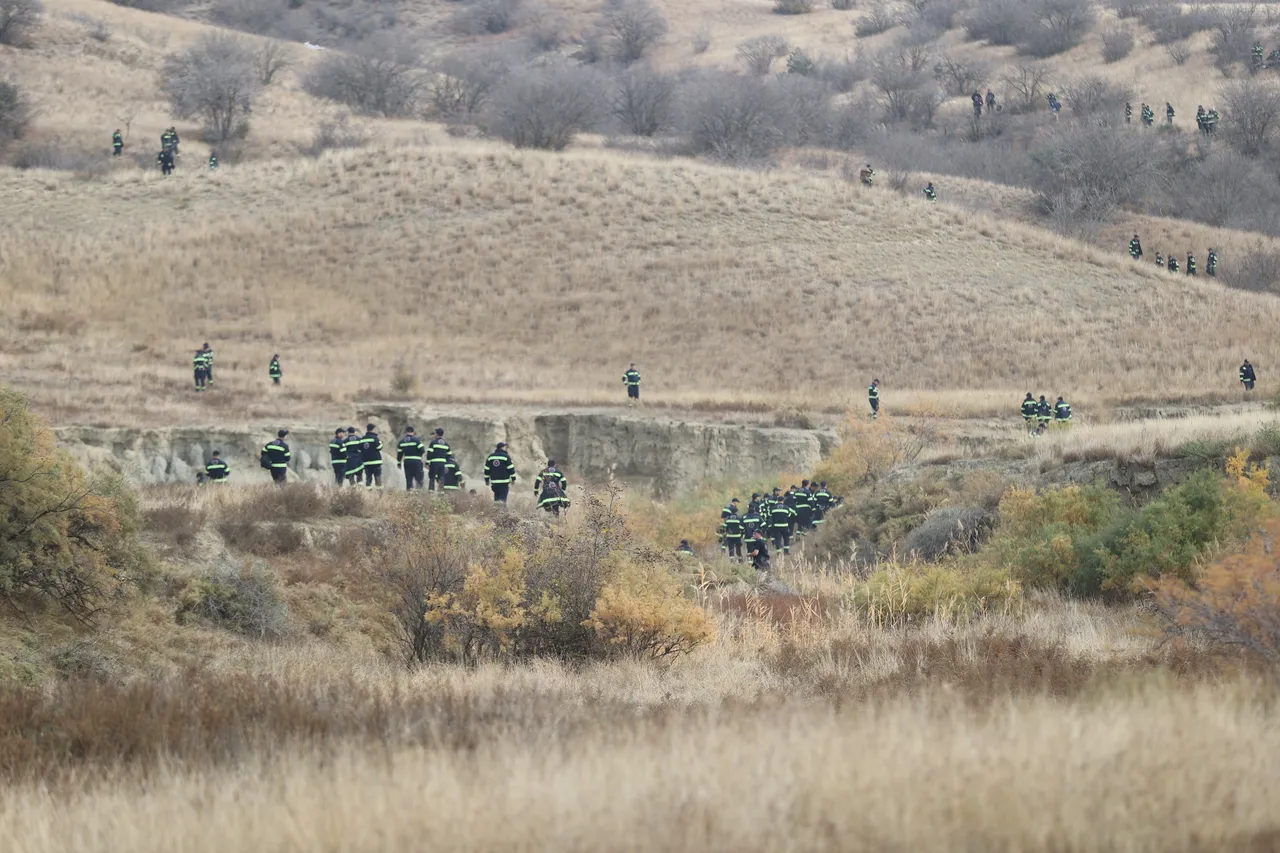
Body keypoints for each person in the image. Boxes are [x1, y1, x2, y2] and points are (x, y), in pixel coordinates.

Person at [397, 426, 426, 491]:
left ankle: (409, 492)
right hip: (416, 462)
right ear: (413, 431)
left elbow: (399, 453)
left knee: (409, 479)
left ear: (406, 431)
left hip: (407, 462)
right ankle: (418, 492)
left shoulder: (402, 441)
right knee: (419, 479)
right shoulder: (416, 440)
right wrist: (419, 455)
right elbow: (422, 450)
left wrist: (399, 463)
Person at [360, 423, 383, 489]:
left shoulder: (362, 439)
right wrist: (381, 443)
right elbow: (379, 447)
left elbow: (360, 449)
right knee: (378, 477)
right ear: (373, 429)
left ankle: (368, 492)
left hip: (366, 462)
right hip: (376, 462)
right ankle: (379, 492)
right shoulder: (375, 438)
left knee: (368, 478)